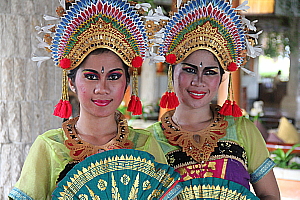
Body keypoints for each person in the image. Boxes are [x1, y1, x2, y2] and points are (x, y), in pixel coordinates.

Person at [8, 0, 174, 199]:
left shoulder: (144, 144)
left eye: (113, 77)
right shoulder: (49, 147)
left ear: (128, 82)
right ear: (71, 82)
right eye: (91, 76)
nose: (102, 88)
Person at [146, 0, 280, 199]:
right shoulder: (149, 141)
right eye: (190, 70)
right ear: (172, 71)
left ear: (221, 78)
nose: (199, 81)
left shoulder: (243, 131)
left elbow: (270, 196)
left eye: (209, 72)